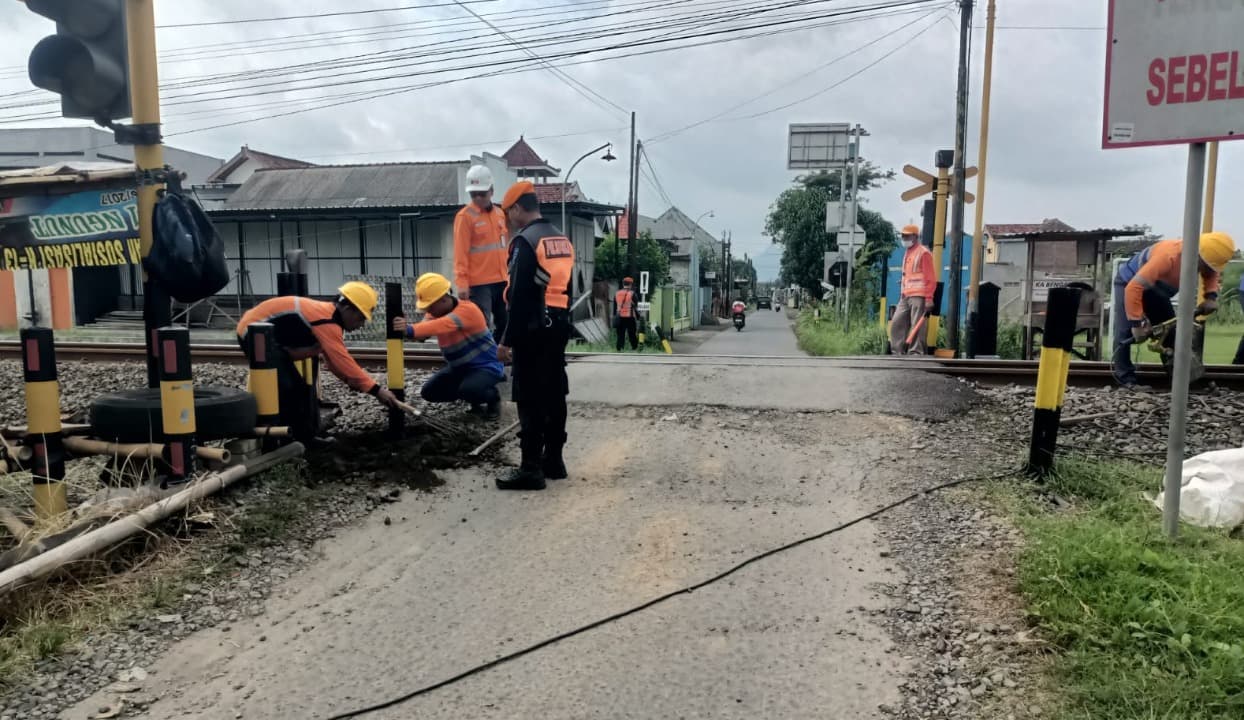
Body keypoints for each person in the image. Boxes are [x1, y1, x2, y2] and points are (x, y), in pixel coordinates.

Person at [237, 281, 401, 443]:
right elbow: (342, 360)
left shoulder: (328, 318)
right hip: (255, 335)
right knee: (288, 389)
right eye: (360, 318)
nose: (362, 325)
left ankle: (301, 438)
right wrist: (376, 390)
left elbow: (333, 362)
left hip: (266, 338)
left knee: (297, 389)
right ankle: (279, 440)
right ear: (346, 308)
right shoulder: (327, 320)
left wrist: (351, 380)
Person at [495, 181, 574, 491]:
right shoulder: (561, 240)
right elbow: (569, 287)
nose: (508, 218)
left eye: (508, 212)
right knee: (555, 390)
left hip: (533, 325)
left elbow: (519, 296)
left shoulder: (525, 242)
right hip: (559, 322)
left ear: (516, 208)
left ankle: (530, 468)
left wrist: (505, 341)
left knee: (528, 395)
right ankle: (554, 460)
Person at [1112, 232, 1235, 386]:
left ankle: (1181, 381)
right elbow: (1133, 288)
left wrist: (1211, 297)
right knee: (1125, 333)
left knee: (1170, 333)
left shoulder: (1205, 259)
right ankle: (1125, 380)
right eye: (1204, 264)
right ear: (1196, 254)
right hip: (1129, 283)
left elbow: (1211, 273)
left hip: (1157, 291)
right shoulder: (1167, 257)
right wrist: (1137, 324)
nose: (1204, 269)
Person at [390, 272, 504, 419]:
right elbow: (424, 331)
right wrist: (408, 329)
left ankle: (492, 397)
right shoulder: (435, 313)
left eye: (430, 307)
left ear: (443, 299)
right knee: (429, 392)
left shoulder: (468, 311)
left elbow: (441, 325)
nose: (427, 311)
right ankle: (472, 394)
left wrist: (410, 329)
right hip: (460, 368)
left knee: (468, 390)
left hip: (486, 367)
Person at [454, 164, 510, 331]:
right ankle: (483, 356)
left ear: (491, 191)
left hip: (501, 281)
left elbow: (504, 248)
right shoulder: (465, 217)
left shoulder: (500, 214)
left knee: (506, 323)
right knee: (480, 326)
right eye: (474, 194)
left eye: (482, 193)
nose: (478, 198)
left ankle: (501, 356)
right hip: (479, 284)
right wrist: (462, 283)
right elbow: (460, 253)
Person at [888, 224, 935, 355]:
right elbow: (909, 275)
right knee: (897, 323)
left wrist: (929, 298)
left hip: (919, 295)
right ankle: (897, 351)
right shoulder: (908, 253)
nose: (904, 238)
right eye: (903, 236)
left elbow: (930, 277)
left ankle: (916, 352)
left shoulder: (923, 253)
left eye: (907, 235)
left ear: (915, 236)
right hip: (906, 295)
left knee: (917, 326)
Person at [614, 276, 639, 351]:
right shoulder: (632, 293)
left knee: (620, 334)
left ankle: (619, 349)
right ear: (631, 284)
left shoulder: (617, 293)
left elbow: (615, 305)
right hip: (629, 317)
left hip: (619, 317)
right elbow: (636, 304)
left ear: (623, 284)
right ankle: (634, 348)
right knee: (632, 334)